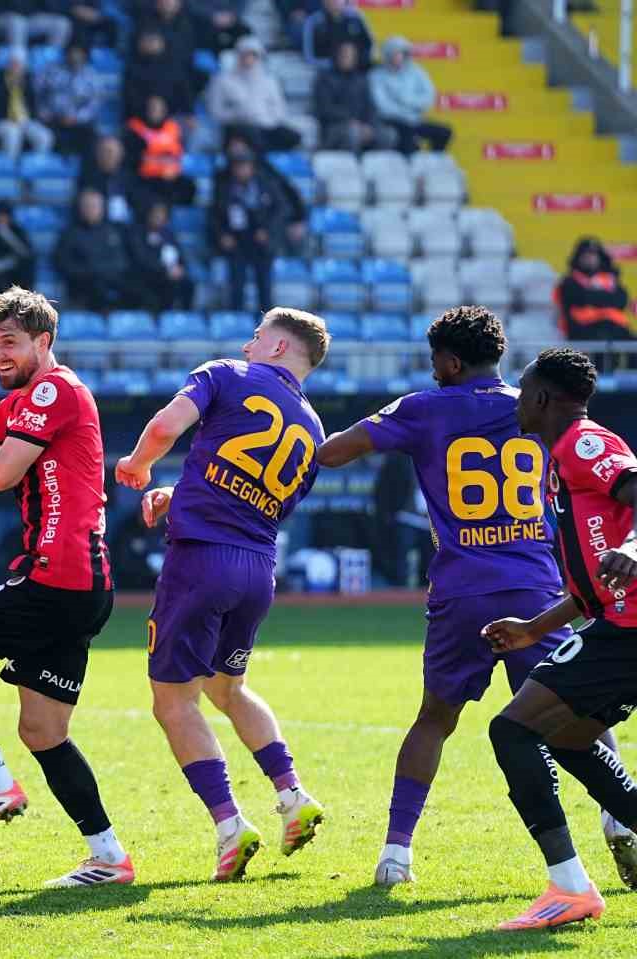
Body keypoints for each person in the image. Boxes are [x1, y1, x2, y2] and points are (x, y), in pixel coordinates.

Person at [317, 307, 637, 888]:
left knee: (435, 719)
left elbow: (333, 452)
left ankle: (396, 854)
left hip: (461, 589)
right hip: (539, 586)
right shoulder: (537, 410)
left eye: (435, 360)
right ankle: (618, 821)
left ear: (449, 361)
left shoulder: (423, 407)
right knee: (575, 707)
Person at [0, 287, 130, 889]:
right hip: (81, 585)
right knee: (43, 732)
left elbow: (1, 471)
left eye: (9, 342)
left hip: (57, 578)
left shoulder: (54, 390)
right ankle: (109, 857)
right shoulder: (23, 403)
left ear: (44, 340)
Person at [115, 308, 332, 881]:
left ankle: (231, 826)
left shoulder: (225, 373)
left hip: (200, 561)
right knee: (226, 688)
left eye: (258, 336)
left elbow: (166, 427)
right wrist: (181, 493)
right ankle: (292, 796)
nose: (247, 344)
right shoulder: (314, 429)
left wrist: (137, 465)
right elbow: (260, 500)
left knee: (173, 702)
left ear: (280, 347)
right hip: (258, 568)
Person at [481, 348, 637, 930]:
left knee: (513, 730)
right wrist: (533, 630)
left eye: (523, 393)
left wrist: (633, 548)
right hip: (617, 626)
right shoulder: (562, 458)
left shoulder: (582, 443)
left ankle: (570, 888)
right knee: (569, 738)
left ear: (543, 398)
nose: (517, 404)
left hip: (628, 632)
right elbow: (595, 585)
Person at [212, 147, 289, 310]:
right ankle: (236, 319)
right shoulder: (225, 188)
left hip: (261, 243)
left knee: (264, 287)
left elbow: (281, 210)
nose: (241, 171)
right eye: (237, 167)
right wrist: (222, 235)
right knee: (236, 286)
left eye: (244, 166)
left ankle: (266, 320)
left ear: (252, 167)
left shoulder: (266, 185)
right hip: (237, 242)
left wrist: (267, 231)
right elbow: (215, 215)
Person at [207, 37, 300, 152]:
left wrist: (265, 119)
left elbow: (280, 109)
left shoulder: (269, 81)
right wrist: (237, 115)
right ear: (238, 56)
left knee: (293, 136)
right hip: (238, 126)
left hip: (266, 125)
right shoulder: (222, 80)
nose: (248, 59)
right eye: (245, 55)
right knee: (251, 135)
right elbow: (215, 112)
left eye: (252, 55)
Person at [54, 189, 135, 311]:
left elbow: (122, 262)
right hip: (83, 288)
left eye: (95, 206)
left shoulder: (113, 231)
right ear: (80, 208)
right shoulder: (70, 234)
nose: (91, 210)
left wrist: (102, 271)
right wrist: (91, 272)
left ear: (103, 208)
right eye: (87, 206)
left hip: (112, 284)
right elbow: (63, 263)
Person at [370, 36, 451, 155]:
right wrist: (407, 111)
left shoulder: (416, 71)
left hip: (415, 119)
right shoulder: (377, 75)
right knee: (408, 140)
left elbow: (428, 97)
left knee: (444, 132)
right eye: (394, 54)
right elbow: (382, 106)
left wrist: (407, 101)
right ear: (387, 55)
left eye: (402, 53)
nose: (398, 57)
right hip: (392, 121)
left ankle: (433, 161)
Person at [314, 42, 389, 153]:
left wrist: (370, 125)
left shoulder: (361, 80)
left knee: (388, 135)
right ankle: (351, 163)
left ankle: (375, 163)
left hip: (361, 125)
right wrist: (351, 121)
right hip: (334, 127)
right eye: (344, 55)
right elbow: (325, 109)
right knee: (353, 133)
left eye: (351, 56)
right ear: (337, 56)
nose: (348, 58)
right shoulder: (324, 79)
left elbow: (370, 107)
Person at [37, 43, 109, 156]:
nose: (75, 56)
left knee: (90, 136)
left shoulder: (92, 76)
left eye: (78, 53)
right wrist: (46, 113)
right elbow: (39, 94)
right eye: (72, 52)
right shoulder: (52, 71)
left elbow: (95, 104)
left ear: (85, 55)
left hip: (79, 123)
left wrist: (76, 118)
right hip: (54, 120)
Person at [555, 238, 633, 341]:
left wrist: (593, 296)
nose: (590, 258)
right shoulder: (570, 281)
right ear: (578, 257)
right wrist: (606, 297)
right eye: (585, 255)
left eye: (593, 254)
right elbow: (580, 298)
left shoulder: (610, 279)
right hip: (582, 331)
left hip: (614, 328)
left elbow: (621, 300)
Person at [125, 94, 196, 207]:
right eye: (152, 109)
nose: (155, 112)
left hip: (171, 178)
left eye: (159, 109)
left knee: (189, 187)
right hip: (147, 177)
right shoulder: (136, 128)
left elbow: (178, 154)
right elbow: (135, 157)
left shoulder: (173, 127)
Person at [0, 54, 54, 159]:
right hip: (0, 121)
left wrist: (20, 86)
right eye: (13, 64)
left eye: (19, 65)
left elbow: (33, 107)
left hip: (23, 121)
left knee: (45, 136)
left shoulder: (28, 82)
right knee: (13, 132)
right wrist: (10, 86)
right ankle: (9, 164)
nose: (15, 68)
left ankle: (36, 163)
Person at [130, 200, 195, 311]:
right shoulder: (139, 233)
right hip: (152, 275)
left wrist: (181, 268)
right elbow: (142, 259)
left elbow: (181, 256)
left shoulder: (169, 235)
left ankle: (184, 314)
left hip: (172, 274)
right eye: (156, 213)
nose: (159, 217)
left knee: (188, 283)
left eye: (162, 214)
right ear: (149, 214)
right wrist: (165, 271)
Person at [124, 29, 196, 120]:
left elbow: (183, 92)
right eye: (147, 41)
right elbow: (129, 97)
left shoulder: (174, 67)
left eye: (153, 41)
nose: (150, 44)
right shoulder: (132, 69)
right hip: (140, 117)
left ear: (162, 43)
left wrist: (188, 112)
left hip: (170, 115)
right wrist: (149, 106)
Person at [77, 135, 148, 225]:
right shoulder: (87, 178)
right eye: (104, 152)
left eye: (111, 152)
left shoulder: (130, 180)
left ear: (121, 155)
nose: (107, 156)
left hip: (125, 228)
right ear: (97, 154)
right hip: (97, 227)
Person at [302, 0, 374, 69]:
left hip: (358, 70)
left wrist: (356, 61)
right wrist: (337, 63)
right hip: (325, 71)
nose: (334, 1)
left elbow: (369, 47)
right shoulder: (314, 22)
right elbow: (309, 58)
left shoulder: (356, 19)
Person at [0, 0, 74, 53]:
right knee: (18, 23)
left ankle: (50, 61)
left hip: (29, 17)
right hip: (2, 17)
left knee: (61, 23)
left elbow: (52, 7)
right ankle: (18, 66)